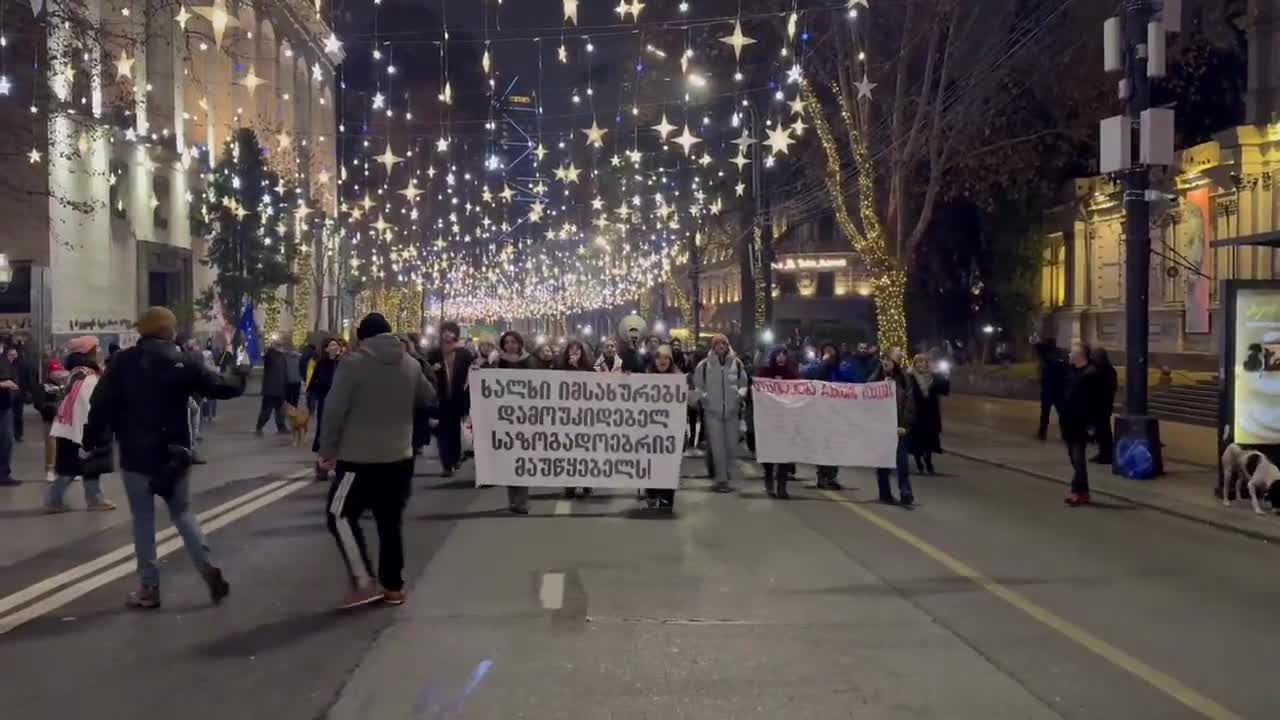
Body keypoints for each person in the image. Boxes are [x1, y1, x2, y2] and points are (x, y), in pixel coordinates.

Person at [82, 306, 248, 609]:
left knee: (143, 521)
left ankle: (149, 588)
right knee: (183, 514)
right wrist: (240, 375)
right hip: (175, 455)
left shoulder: (124, 362)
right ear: (170, 330)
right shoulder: (185, 361)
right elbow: (220, 388)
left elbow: (101, 402)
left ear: (143, 330)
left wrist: (91, 439)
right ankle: (206, 567)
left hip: (136, 455)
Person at [319, 314, 435, 608]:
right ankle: (393, 587)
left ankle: (363, 582)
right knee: (390, 521)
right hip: (400, 456)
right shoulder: (409, 363)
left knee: (339, 515)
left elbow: (334, 410)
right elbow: (428, 396)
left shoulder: (353, 364)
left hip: (358, 458)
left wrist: (327, 451)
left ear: (362, 336)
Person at [45, 336, 116, 512]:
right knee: (72, 468)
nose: (99, 352)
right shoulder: (86, 376)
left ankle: (94, 498)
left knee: (89, 467)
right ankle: (55, 500)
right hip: (80, 429)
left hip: (75, 428)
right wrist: (92, 430)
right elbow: (84, 404)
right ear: (88, 352)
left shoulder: (80, 373)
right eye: (96, 348)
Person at [693, 334, 748, 493]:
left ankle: (726, 472)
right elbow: (698, 386)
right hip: (712, 412)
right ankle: (721, 480)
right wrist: (705, 399)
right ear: (713, 346)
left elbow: (743, 384)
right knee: (717, 448)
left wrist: (739, 396)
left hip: (732, 412)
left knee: (731, 446)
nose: (721, 346)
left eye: (724, 343)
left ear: (728, 345)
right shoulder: (703, 365)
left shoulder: (737, 364)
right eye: (717, 343)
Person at [426, 322, 474, 478]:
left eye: (451, 332)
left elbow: (472, 374)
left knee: (454, 431)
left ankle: (454, 458)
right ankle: (447, 464)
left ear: (456, 334)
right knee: (441, 433)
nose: (447, 335)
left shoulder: (464, 354)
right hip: (440, 399)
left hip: (458, 398)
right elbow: (427, 374)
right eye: (445, 332)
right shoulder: (434, 354)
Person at [495, 331, 535, 514]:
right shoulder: (498, 362)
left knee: (523, 460)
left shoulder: (529, 361)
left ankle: (523, 501)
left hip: (525, 416)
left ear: (520, 344)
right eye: (507, 342)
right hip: (505, 417)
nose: (510, 345)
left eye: (513, 342)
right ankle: (512, 500)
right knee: (509, 459)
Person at [871, 354, 916, 506]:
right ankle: (885, 492)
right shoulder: (875, 377)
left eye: (888, 360)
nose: (885, 362)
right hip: (881, 428)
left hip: (899, 427)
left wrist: (905, 424)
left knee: (902, 462)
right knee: (883, 462)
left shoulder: (903, 379)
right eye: (883, 359)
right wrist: (880, 385)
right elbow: (866, 397)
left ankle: (905, 491)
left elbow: (909, 403)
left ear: (895, 362)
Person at [807, 343, 852, 490]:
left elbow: (851, 382)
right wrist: (822, 364)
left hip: (837, 412)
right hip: (820, 411)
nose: (829, 354)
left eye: (831, 351)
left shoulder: (842, 368)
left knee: (835, 446)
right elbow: (807, 375)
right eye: (825, 351)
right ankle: (821, 476)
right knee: (823, 444)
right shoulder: (817, 366)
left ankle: (832, 476)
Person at [754, 345, 797, 499]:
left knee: (784, 454)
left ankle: (782, 486)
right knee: (770, 453)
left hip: (785, 419)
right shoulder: (764, 373)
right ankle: (769, 478)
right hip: (768, 419)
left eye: (784, 354)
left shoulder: (792, 375)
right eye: (778, 354)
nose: (781, 357)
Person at [643, 345, 681, 509]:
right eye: (659, 357)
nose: (662, 360)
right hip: (650, 430)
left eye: (666, 357)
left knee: (668, 465)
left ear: (670, 360)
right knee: (651, 463)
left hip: (670, 432)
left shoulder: (678, 379)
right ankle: (651, 492)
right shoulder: (646, 377)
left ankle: (666, 498)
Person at [1061, 342, 1099, 507]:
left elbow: (1093, 402)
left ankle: (1081, 492)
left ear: (1079, 356)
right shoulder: (1073, 372)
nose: (1069, 355)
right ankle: (1080, 491)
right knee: (1074, 457)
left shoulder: (1090, 375)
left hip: (1080, 423)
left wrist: (1091, 425)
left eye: (1072, 353)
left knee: (1078, 459)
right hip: (1069, 421)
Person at [558, 339, 595, 498]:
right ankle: (570, 484)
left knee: (586, 451)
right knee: (568, 452)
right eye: (571, 351)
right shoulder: (560, 369)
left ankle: (587, 482)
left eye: (577, 351)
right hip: (567, 417)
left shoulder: (589, 369)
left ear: (582, 354)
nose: (574, 354)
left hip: (586, 417)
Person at [906, 354, 950, 474]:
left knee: (930, 439)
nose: (921, 364)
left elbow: (944, 390)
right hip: (916, 412)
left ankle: (928, 460)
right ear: (914, 364)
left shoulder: (934, 376)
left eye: (923, 362)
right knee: (917, 440)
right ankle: (919, 462)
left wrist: (945, 377)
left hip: (931, 413)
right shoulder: (909, 376)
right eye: (918, 362)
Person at [308, 338, 342, 454]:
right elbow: (313, 381)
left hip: (340, 399)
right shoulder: (321, 363)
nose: (335, 347)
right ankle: (321, 446)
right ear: (326, 349)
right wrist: (314, 391)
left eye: (336, 345)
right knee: (323, 422)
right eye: (332, 345)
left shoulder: (343, 362)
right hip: (325, 398)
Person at [1034, 335, 1067, 441]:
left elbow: (1038, 346)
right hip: (1058, 390)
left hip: (1048, 389)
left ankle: (1042, 433)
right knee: (1061, 413)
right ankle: (1065, 434)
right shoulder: (1060, 357)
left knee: (1045, 413)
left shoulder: (1046, 356)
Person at [1091, 347, 1118, 464]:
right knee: (1100, 429)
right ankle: (1103, 453)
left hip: (1103, 404)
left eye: (1096, 356)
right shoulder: (1098, 370)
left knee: (1103, 430)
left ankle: (1106, 454)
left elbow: (1109, 388)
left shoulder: (1107, 371)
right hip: (1099, 404)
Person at [256, 339, 288, 436]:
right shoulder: (270, 355)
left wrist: (285, 385)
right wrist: (269, 348)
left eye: (281, 345)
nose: (280, 346)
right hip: (270, 390)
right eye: (278, 345)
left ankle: (281, 427)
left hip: (280, 389)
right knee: (266, 411)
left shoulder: (282, 356)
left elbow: (284, 372)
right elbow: (266, 358)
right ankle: (259, 427)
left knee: (280, 411)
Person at [0, 349, 20, 485]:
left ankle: (3, 474)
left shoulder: (4, 361)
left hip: (5, 405)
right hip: (4, 405)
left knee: (7, 441)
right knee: (6, 440)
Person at [283, 342, 303, 408]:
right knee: (295, 398)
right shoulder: (299, 357)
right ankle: (294, 410)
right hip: (297, 380)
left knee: (287, 398)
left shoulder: (284, 357)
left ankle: (289, 411)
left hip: (288, 380)